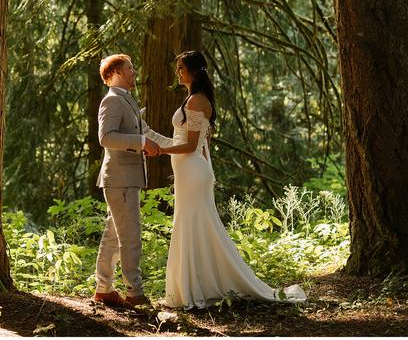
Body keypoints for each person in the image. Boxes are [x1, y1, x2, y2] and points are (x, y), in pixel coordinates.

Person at [157, 50, 306, 309]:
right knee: (192, 225)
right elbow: (203, 143)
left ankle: (195, 287)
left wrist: (160, 148)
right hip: (190, 173)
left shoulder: (195, 101)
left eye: (181, 67)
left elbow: (191, 146)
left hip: (192, 173)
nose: (177, 72)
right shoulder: (193, 99)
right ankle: (194, 285)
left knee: (193, 223)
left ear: (192, 71)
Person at [92, 54, 173, 308]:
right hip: (120, 180)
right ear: (115, 72)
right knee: (130, 237)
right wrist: (140, 144)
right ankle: (135, 294)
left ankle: (103, 289)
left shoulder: (126, 100)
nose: (134, 71)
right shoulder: (112, 101)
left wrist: (180, 147)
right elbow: (106, 137)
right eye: (130, 68)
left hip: (124, 180)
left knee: (113, 236)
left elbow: (146, 133)